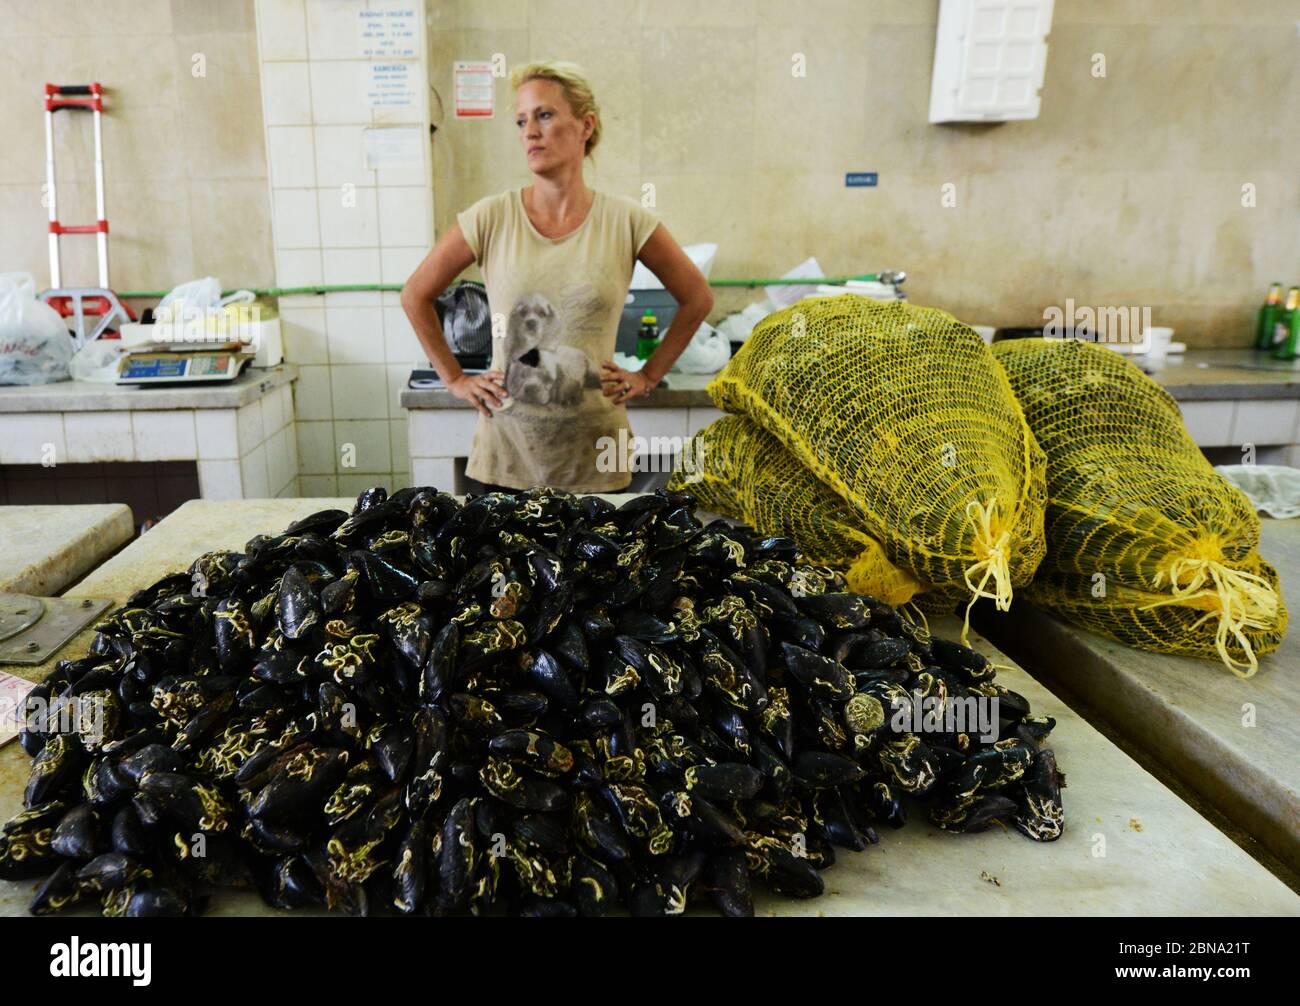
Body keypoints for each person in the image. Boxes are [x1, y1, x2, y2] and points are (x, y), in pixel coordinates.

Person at [401, 60, 713, 494]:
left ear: (586, 125)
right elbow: (416, 294)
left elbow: (697, 298)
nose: (530, 131)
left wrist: (648, 375)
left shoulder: (626, 221)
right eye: (521, 121)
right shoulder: (491, 217)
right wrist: (455, 378)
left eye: (544, 115)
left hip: (598, 456)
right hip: (506, 457)